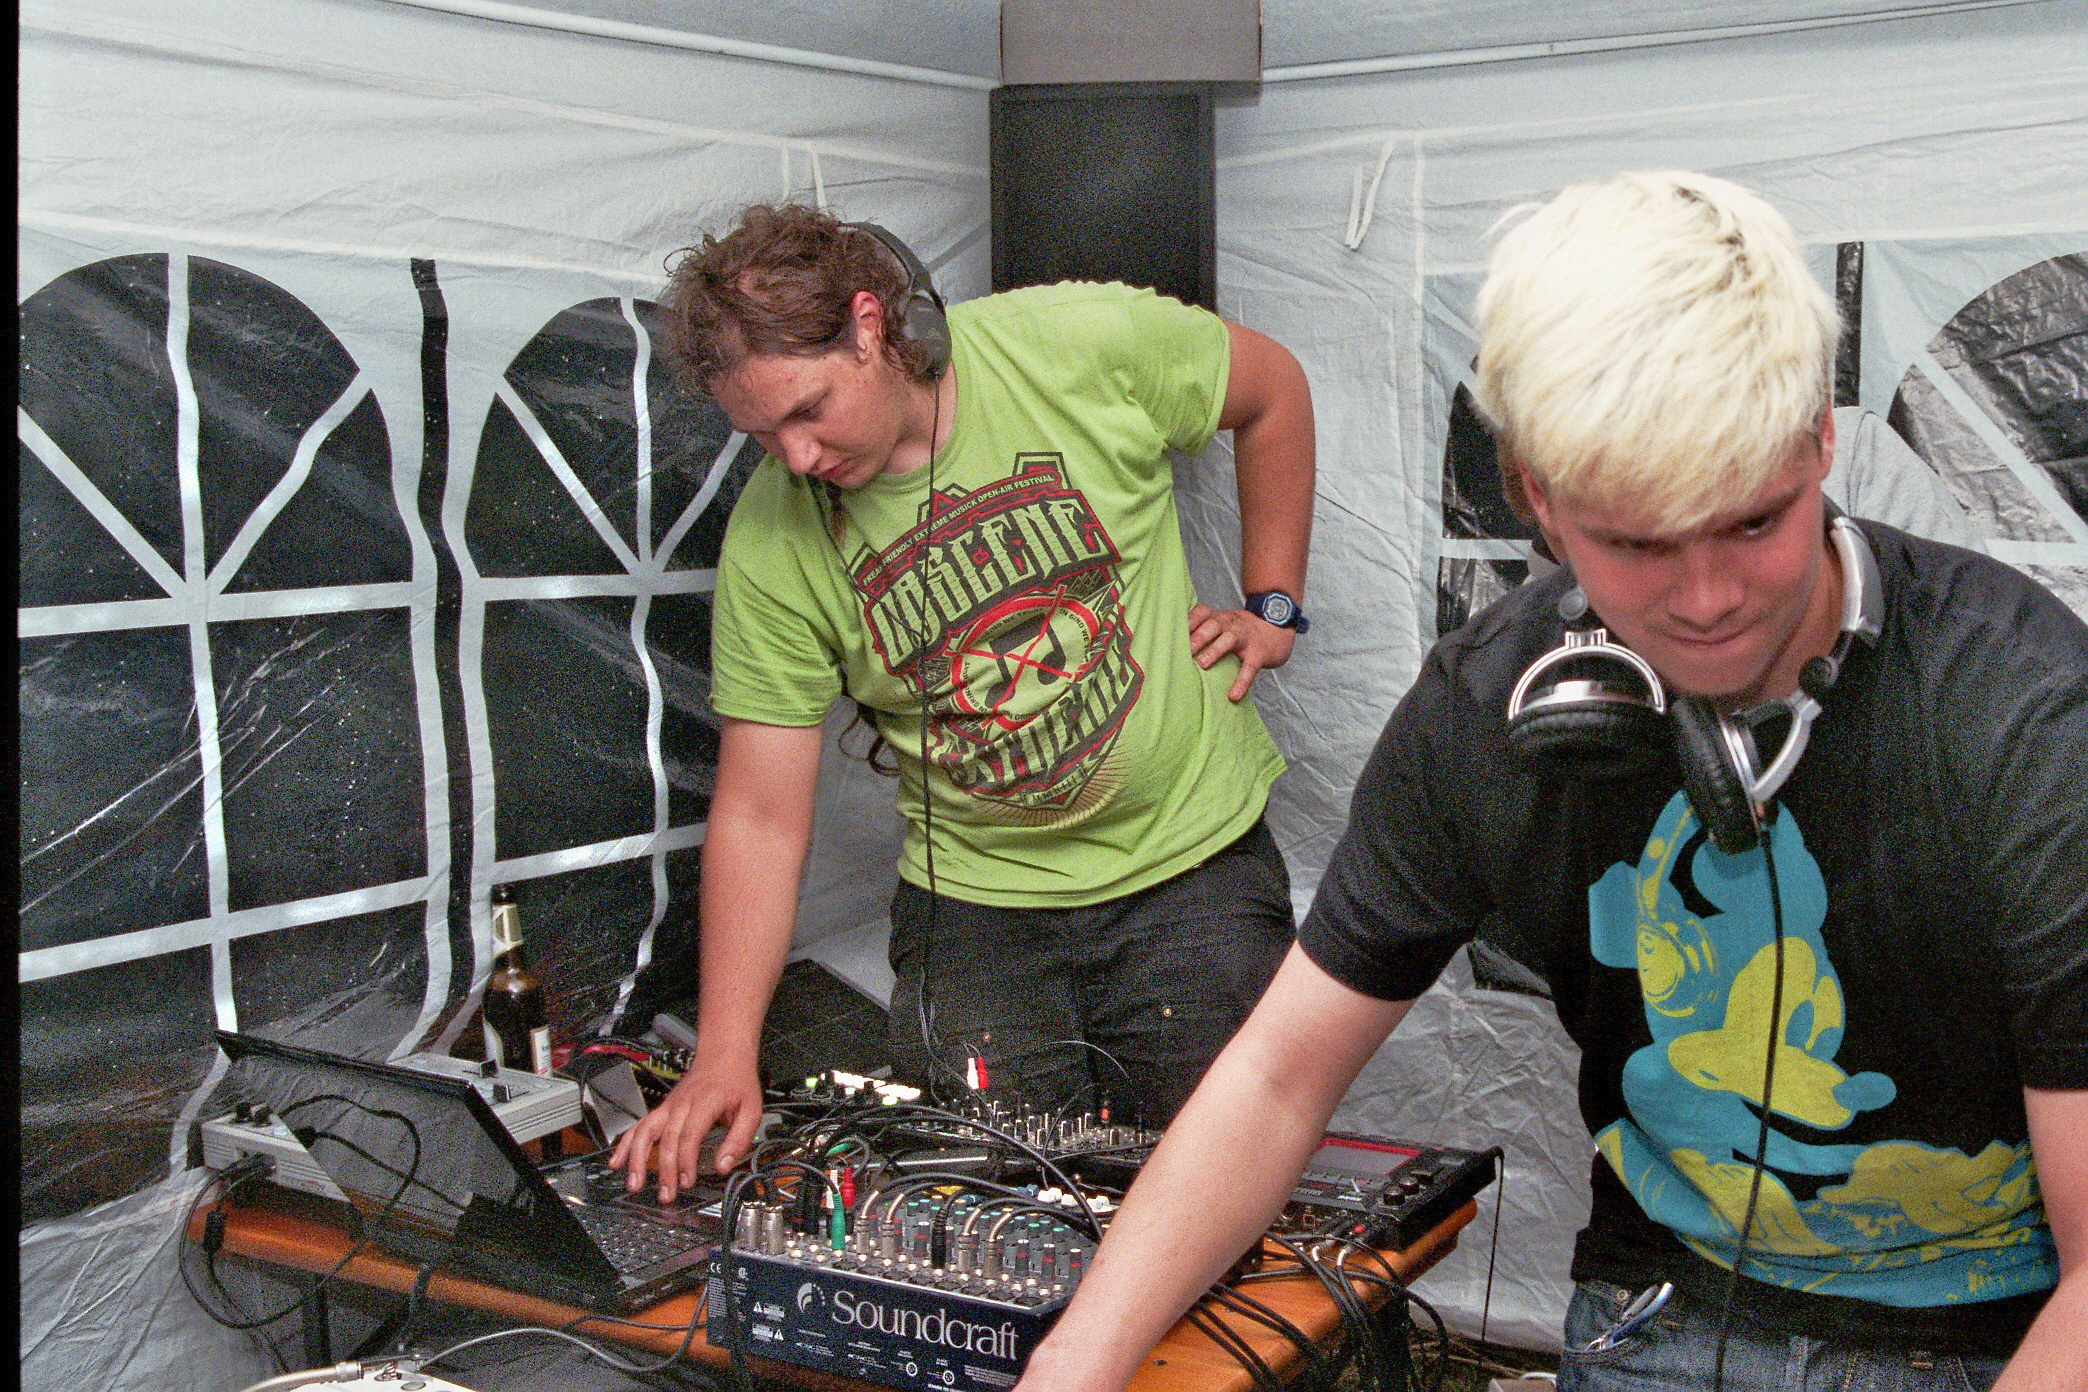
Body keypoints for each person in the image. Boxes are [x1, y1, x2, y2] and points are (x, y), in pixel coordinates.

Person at [1013, 171, 2088, 1392]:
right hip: (1662, 1314)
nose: (1707, 598)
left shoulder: (2024, 712)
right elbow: (1274, 1078)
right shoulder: (1487, 712)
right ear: (1535, 493)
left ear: (1818, 440)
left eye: (1752, 522)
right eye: (1635, 541)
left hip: (1997, 1340)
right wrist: (1076, 1362)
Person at [611, 204, 1317, 1198]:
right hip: (978, 919)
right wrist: (725, 1053)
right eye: (761, 434)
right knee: (999, 1217)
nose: (797, 458)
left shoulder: (1075, 345)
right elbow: (761, 814)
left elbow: (1272, 390)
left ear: (871, 326)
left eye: (808, 411)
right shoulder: (774, 542)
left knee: (1224, 1207)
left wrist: (1274, 604)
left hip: (1190, 879)